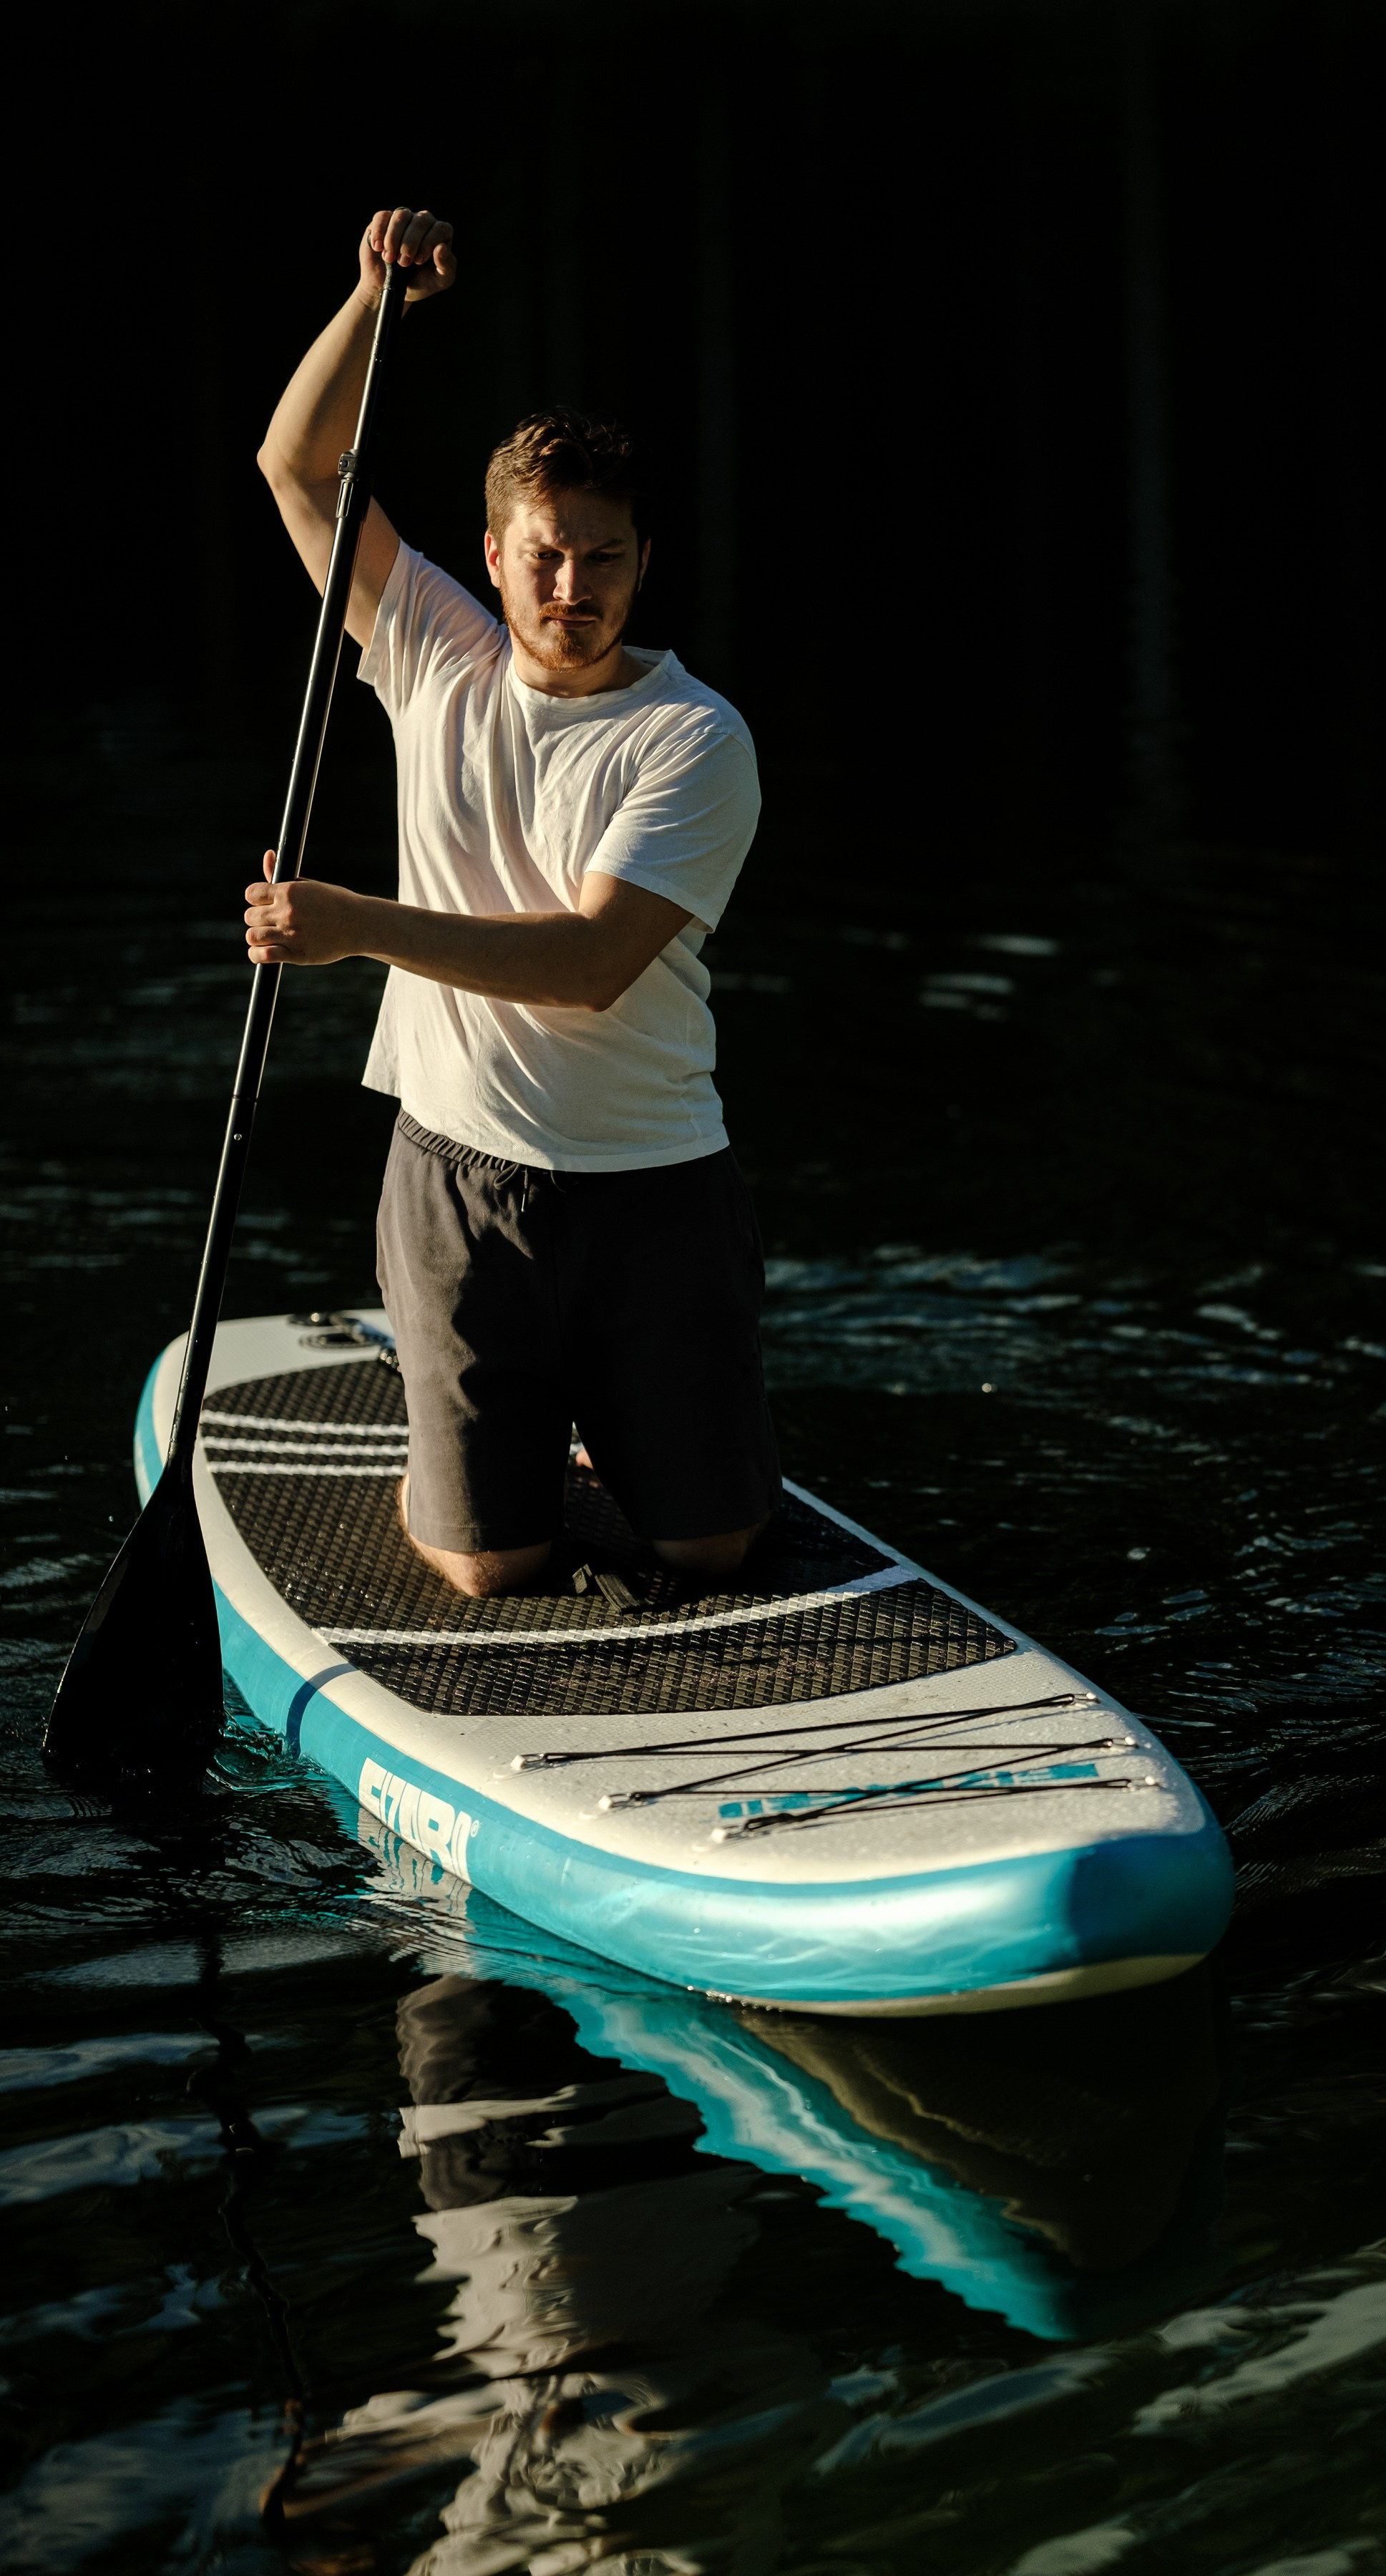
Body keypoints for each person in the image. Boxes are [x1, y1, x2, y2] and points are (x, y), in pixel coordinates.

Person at [249, 204, 777, 1600]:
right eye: (543, 553)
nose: (572, 586)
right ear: (490, 556)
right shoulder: (432, 648)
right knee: (491, 1572)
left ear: (643, 562)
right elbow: (295, 468)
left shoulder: (694, 738)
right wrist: (375, 299)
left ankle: (600, 1436)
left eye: (603, 556)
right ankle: (483, 1447)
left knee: (709, 1554)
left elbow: (595, 962)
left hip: (658, 1186)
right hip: (461, 1177)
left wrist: (357, 924)